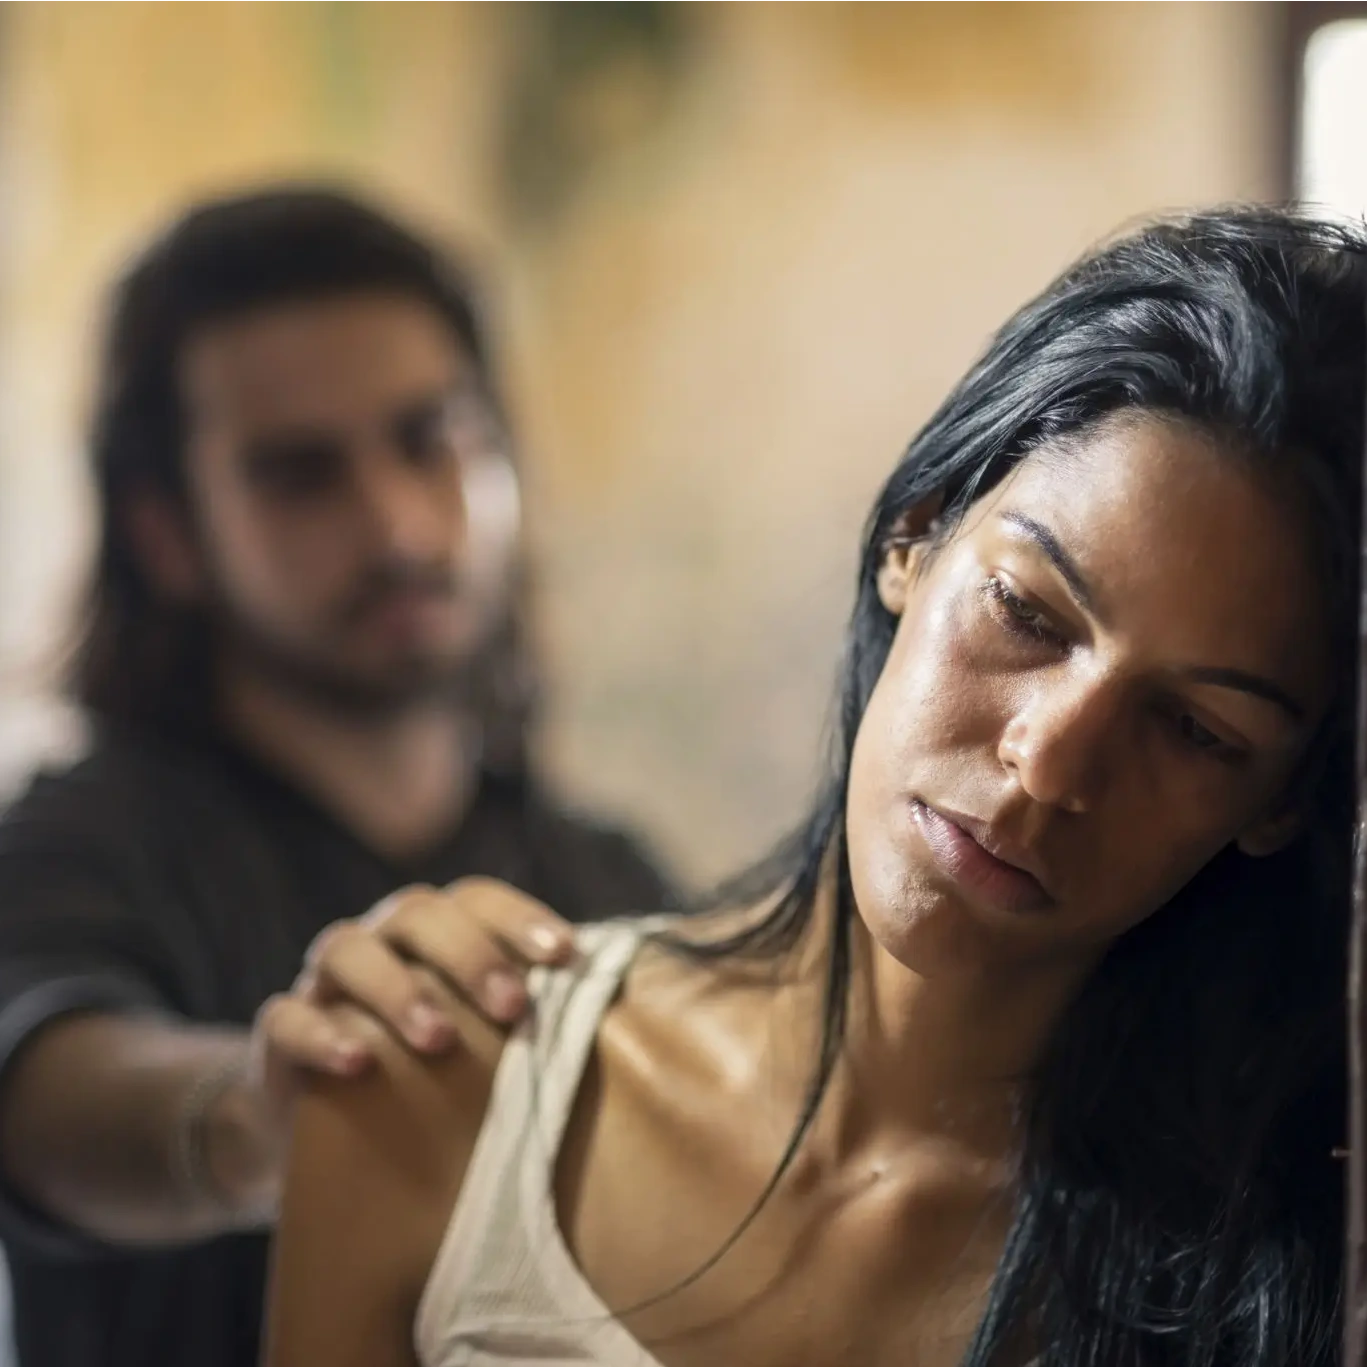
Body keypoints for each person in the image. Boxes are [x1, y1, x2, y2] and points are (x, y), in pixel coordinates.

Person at [268, 206, 1364, 1367]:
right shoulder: (438, 1084)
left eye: (1193, 729)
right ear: (914, 533)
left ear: (1279, 800)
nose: (1046, 762)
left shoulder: (1286, 1273)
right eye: (1027, 611)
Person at [0, 186, 675, 1367]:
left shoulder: (612, 875)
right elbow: (47, 1096)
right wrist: (260, 1120)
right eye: (301, 474)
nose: (400, 525)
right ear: (167, 533)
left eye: (431, 439)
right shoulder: (76, 844)